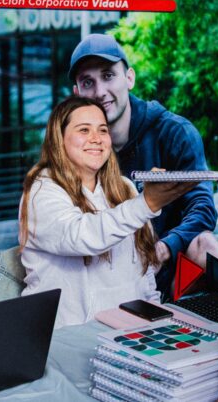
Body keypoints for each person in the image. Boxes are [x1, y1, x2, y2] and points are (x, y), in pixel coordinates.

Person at [18, 96, 196, 328]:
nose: (96, 139)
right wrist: (147, 204)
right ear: (58, 139)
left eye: (103, 130)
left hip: (128, 334)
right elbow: (81, 236)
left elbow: (144, 272)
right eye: (84, 130)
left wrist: (158, 320)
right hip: (65, 340)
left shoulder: (125, 188)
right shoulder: (40, 191)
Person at [69, 34, 218, 298]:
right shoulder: (75, 150)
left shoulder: (174, 132)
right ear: (77, 93)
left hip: (172, 268)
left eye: (108, 75)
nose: (100, 91)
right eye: (88, 82)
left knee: (205, 245)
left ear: (129, 78)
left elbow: (203, 210)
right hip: (113, 283)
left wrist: (163, 249)